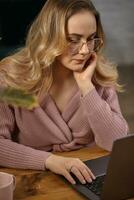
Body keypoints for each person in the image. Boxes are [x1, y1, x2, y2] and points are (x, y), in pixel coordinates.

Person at [0, 0, 128, 185]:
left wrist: (86, 87)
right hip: (31, 181)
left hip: (89, 179)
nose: (84, 51)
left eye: (91, 38)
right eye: (73, 40)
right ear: (48, 37)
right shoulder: (12, 80)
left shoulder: (98, 78)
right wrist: (49, 160)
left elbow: (117, 143)